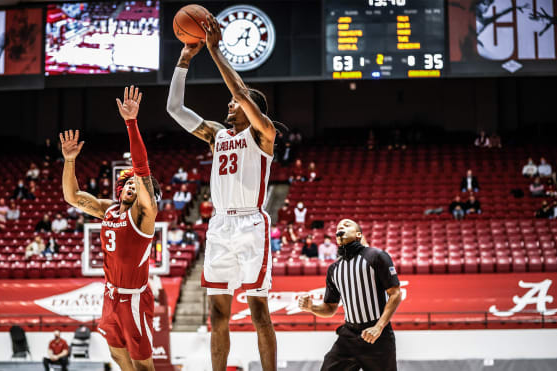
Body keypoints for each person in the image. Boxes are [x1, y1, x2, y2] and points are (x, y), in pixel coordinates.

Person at [166, 19, 278, 370]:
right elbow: (175, 109)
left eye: (234, 102)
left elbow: (243, 94)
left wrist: (214, 50)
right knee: (217, 313)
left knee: (259, 310)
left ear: (250, 109)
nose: (229, 105)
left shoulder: (263, 134)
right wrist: (184, 60)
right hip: (220, 226)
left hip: (250, 223)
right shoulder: (217, 135)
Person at [62, 85, 161, 371]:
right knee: (118, 359)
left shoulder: (144, 215)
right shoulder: (108, 209)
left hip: (134, 299)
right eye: (127, 182)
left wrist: (131, 123)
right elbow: (73, 197)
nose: (132, 184)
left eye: (138, 184)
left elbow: (141, 168)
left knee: (143, 365)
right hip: (110, 295)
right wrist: (69, 162)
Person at [298, 219, 401, 371]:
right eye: (339, 227)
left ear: (358, 234)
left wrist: (378, 327)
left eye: (347, 225)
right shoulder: (334, 269)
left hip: (377, 337)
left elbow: (395, 294)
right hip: (348, 336)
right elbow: (330, 308)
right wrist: (312, 307)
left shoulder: (376, 256)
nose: (341, 227)